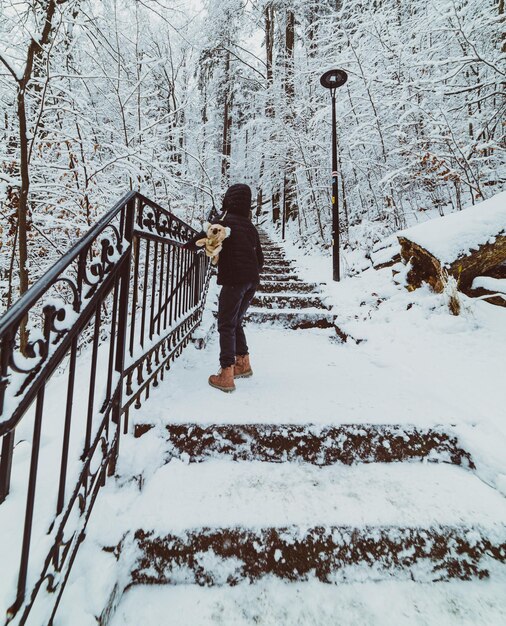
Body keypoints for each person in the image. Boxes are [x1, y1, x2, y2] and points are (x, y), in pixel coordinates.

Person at [185, 183, 264, 392]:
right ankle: (243, 363)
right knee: (236, 320)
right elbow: (260, 260)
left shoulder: (224, 223)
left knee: (225, 323)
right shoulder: (250, 227)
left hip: (234, 280)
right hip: (251, 281)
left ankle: (226, 374)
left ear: (228, 200)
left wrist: (186, 246)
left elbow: (202, 239)